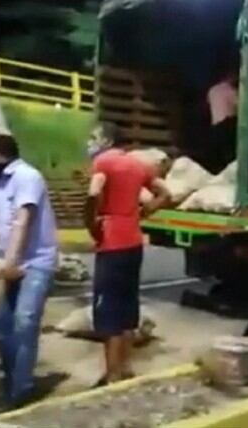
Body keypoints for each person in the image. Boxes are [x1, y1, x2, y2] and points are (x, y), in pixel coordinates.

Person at [0, 134, 59, 413]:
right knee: (0, 326)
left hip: (34, 262)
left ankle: (21, 389)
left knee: (25, 321)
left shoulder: (28, 177)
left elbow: (23, 220)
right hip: (4, 261)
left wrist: (12, 262)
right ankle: (12, 380)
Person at [84, 122, 171, 386]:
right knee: (126, 308)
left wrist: (91, 222)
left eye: (93, 137)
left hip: (111, 243)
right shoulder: (137, 165)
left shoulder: (103, 163)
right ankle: (124, 369)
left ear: (107, 141)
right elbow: (166, 193)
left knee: (108, 311)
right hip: (133, 242)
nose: (90, 142)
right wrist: (145, 212)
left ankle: (111, 375)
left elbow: (94, 192)